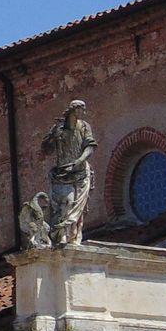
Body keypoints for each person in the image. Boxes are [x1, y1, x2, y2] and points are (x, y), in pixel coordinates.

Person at [42, 101, 96, 246]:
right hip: (62, 173)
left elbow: (90, 147)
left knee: (75, 206)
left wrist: (79, 161)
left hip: (80, 173)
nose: (83, 113)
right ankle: (61, 235)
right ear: (73, 110)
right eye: (80, 110)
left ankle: (70, 236)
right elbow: (46, 150)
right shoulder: (59, 128)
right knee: (64, 204)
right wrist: (53, 137)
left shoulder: (84, 126)